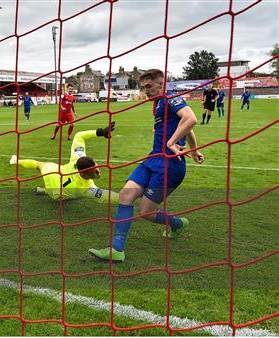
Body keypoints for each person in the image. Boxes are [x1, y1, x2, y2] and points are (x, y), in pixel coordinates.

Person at [89, 69, 204, 263]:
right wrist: (193, 149)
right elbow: (186, 126)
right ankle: (116, 250)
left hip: (170, 166)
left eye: (149, 86)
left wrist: (171, 142)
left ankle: (177, 224)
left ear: (161, 84)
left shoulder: (170, 98)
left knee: (146, 212)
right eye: (143, 87)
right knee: (126, 194)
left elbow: (190, 119)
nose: (146, 91)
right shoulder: (159, 104)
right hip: (153, 159)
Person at [10, 123, 118, 204]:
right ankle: (45, 190)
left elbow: (79, 136)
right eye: (94, 172)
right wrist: (126, 197)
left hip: (57, 173)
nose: (98, 172)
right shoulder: (86, 188)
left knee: (40, 165)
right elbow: (106, 196)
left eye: (97, 167)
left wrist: (99, 132)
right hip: (59, 194)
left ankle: (16, 161)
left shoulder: (78, 158)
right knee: (69, 196)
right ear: (83, 174)